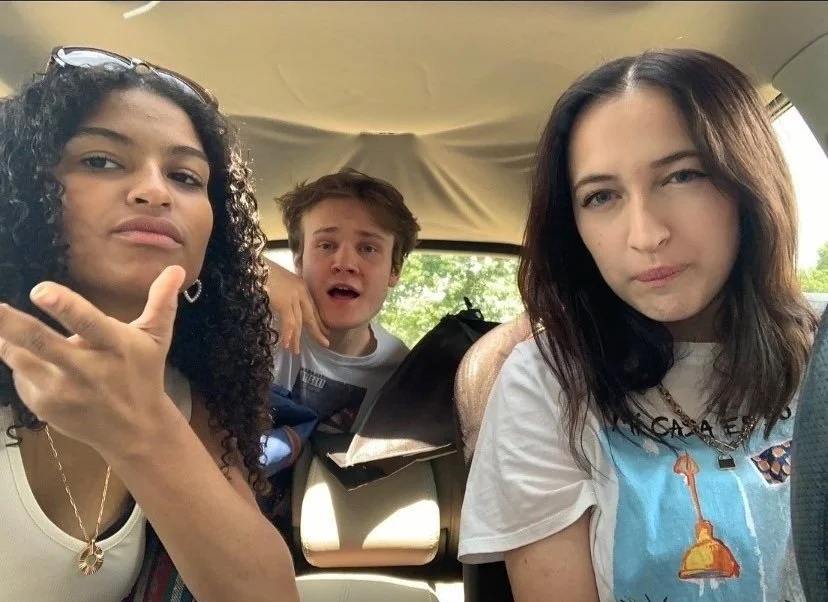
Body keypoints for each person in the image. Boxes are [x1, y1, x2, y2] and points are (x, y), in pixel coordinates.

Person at [458, 48, 817, 602]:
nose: (645, 234)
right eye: (601, 196)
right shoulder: (547, 382)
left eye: (681, 175)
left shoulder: (823, 349)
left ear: (747, 183)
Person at [0, 47, 298, 602]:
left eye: (186, 176)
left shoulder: (193, 395)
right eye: (100, 161)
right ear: (19, 192)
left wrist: (143, 427)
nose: (156, 191)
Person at [264, 169, 420, 436]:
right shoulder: (260, 323)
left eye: (368, 248)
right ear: (299, 261)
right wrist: (256, 269)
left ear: (394, 271)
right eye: (326, 245)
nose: (345, 264)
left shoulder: (402, 376)